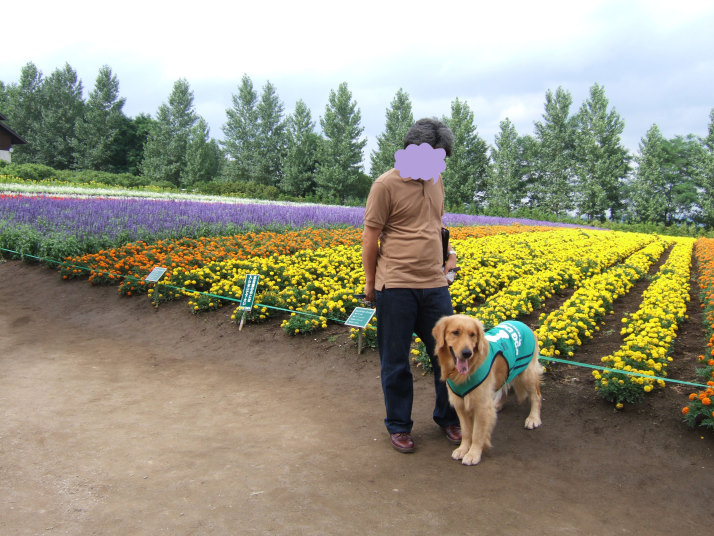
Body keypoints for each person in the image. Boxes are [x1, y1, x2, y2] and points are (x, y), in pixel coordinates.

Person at [362, 117, 461, 453]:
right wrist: (371, 283)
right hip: (396, 286)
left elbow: (435, 224)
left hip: (435, 284)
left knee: (447, 354)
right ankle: (399, 425)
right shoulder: (385, 186)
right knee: (396, 360)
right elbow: (370, 237)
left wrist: (450, 253)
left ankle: (449, 417)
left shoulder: (436, 181)